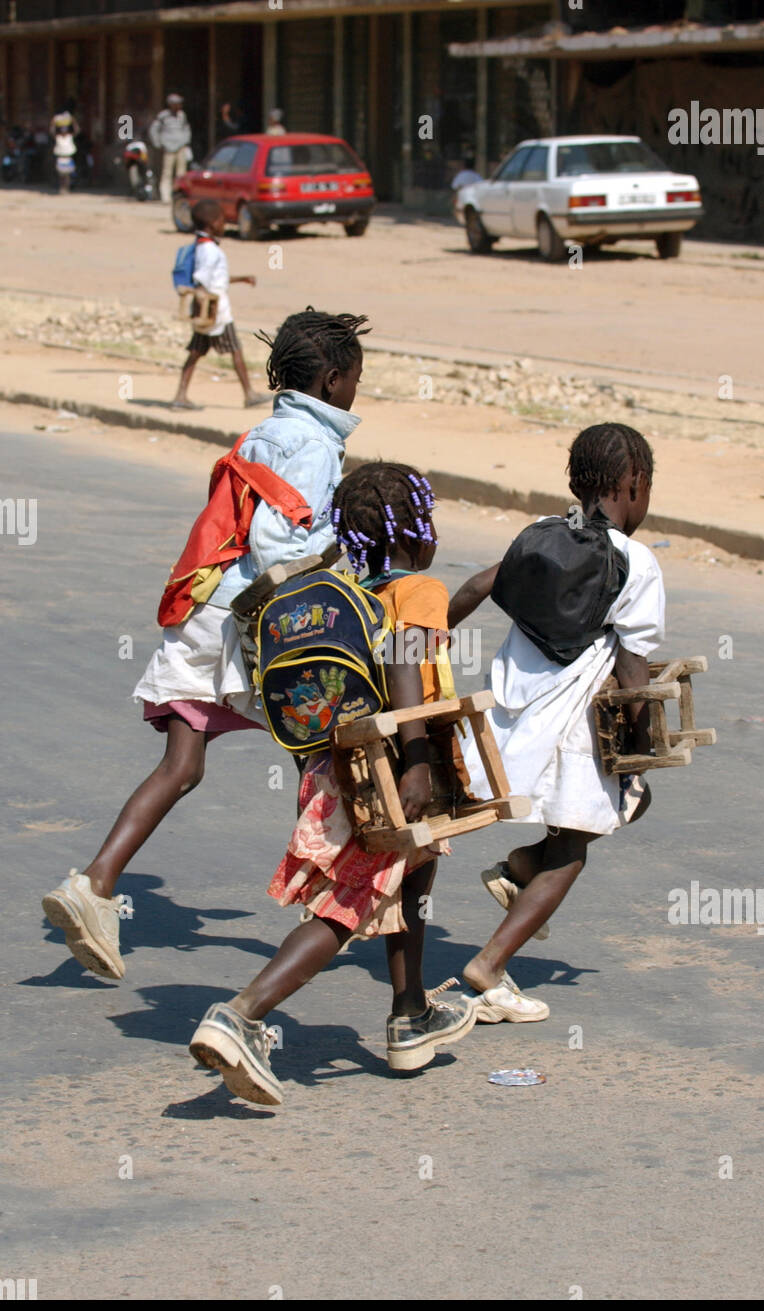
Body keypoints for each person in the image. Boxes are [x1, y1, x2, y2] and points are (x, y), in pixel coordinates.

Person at [41, 309, 371, 983]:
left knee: (182, 766)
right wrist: (343, 555)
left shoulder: (264, 429)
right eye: (357, 380)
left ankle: (95, 884)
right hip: (250, 625)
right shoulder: (312, 443)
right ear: (334, 380)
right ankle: (329, 902)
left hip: (203, 605)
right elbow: (283, 545)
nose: (357, 393)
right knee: (321, 749)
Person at [188, 463, 475, 1105]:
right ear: (416, 532)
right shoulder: (419, 589)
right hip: (391, 764)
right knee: (347, 905)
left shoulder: (343, 589)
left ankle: (410, 1013)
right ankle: (242, 1014)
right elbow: (406, 663)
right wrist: (418, 760)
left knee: (411, 875)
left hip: (332, 766)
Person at [447, 423, 665, 1023]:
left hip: (515, 717)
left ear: (577, 482)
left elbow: (474, 586)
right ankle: (489, 965)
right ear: (635, 484)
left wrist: (420, 644)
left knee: (579, 830)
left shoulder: (540, 539)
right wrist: (643, 748)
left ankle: (518, 867)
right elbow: (632, 665)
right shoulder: (635, 561)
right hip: (577, 729)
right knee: (573, 849)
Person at [171, 199, 268, 411]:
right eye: (223, 220)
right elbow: (203, 280)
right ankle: (249, 394)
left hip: (209, 309)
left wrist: (241, 279)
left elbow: (216, 278)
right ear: (213, 223)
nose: (225, 225)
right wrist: (209, 308)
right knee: (235, 349)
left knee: (196, 351)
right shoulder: (210, 251)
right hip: (216, 311)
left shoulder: (203, 246)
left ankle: (180, 395)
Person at [149, 93, 192, 204]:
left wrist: (186, 141)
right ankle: (165, 196)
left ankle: (179, 196)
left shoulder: (182, 115)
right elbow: (154, 130)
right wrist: (158, 143)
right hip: (168, 147)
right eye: (177, 104)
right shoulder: (163, 116)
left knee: (181, 174)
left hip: (180, 147)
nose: (179, 106)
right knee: (167, 172)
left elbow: (186, 129)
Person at [49, 100, 79, 195]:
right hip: (61, 158)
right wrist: (54, 122)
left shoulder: (70, 137)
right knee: (61, 175)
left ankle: (67, 188)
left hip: (68, 157)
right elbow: (52, 131)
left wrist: (73, 120)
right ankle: (62, 188)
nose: (64, 132)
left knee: (68, 175)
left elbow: (76, 130)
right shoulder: (58, 138)